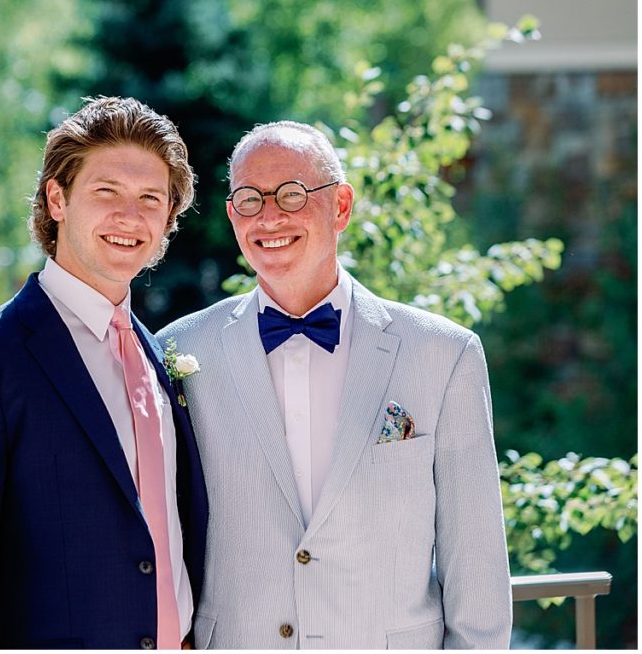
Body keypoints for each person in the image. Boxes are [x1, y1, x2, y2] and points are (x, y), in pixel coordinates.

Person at [158, 121, 511, 649]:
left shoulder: (444, 354)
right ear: (233, 216)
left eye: (293, 194)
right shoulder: (179, 351)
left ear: (341, 206)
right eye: (249, 199)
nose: (270, 215)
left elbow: (476, 564)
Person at [0, 96, 208, 649]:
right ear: (57, 198)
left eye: (150, 198)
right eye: (106, 192)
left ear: (168, 218)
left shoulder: (160, 354)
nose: (130, 216)